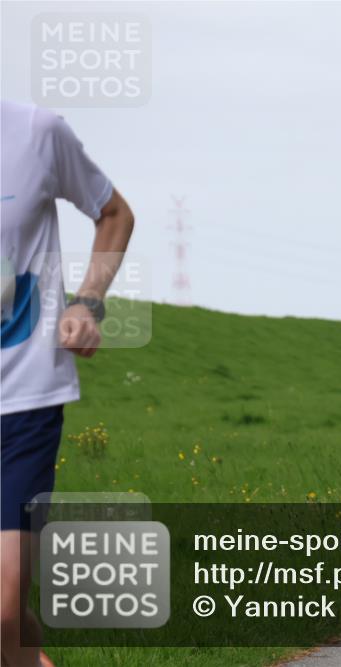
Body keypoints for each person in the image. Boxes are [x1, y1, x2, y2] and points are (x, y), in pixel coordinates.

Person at [2, 100, 135, 667]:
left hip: (24, 400)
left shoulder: (37, 132)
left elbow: (115, 213)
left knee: (3, 609)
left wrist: (88, 302)